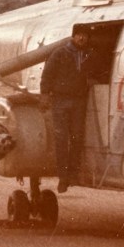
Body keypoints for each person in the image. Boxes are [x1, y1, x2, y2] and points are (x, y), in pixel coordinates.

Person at [40, 29, 91, 193]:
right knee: (61, 139)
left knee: (77, 137)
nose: (82, 38)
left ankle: (73, 175)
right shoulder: (60, 53)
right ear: (73, 36)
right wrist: (44, 94)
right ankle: (63, 177)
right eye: (79, 35)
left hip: (79, 101)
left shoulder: (88, 55)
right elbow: (47, 74)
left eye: (84, 35)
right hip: (60, 100)